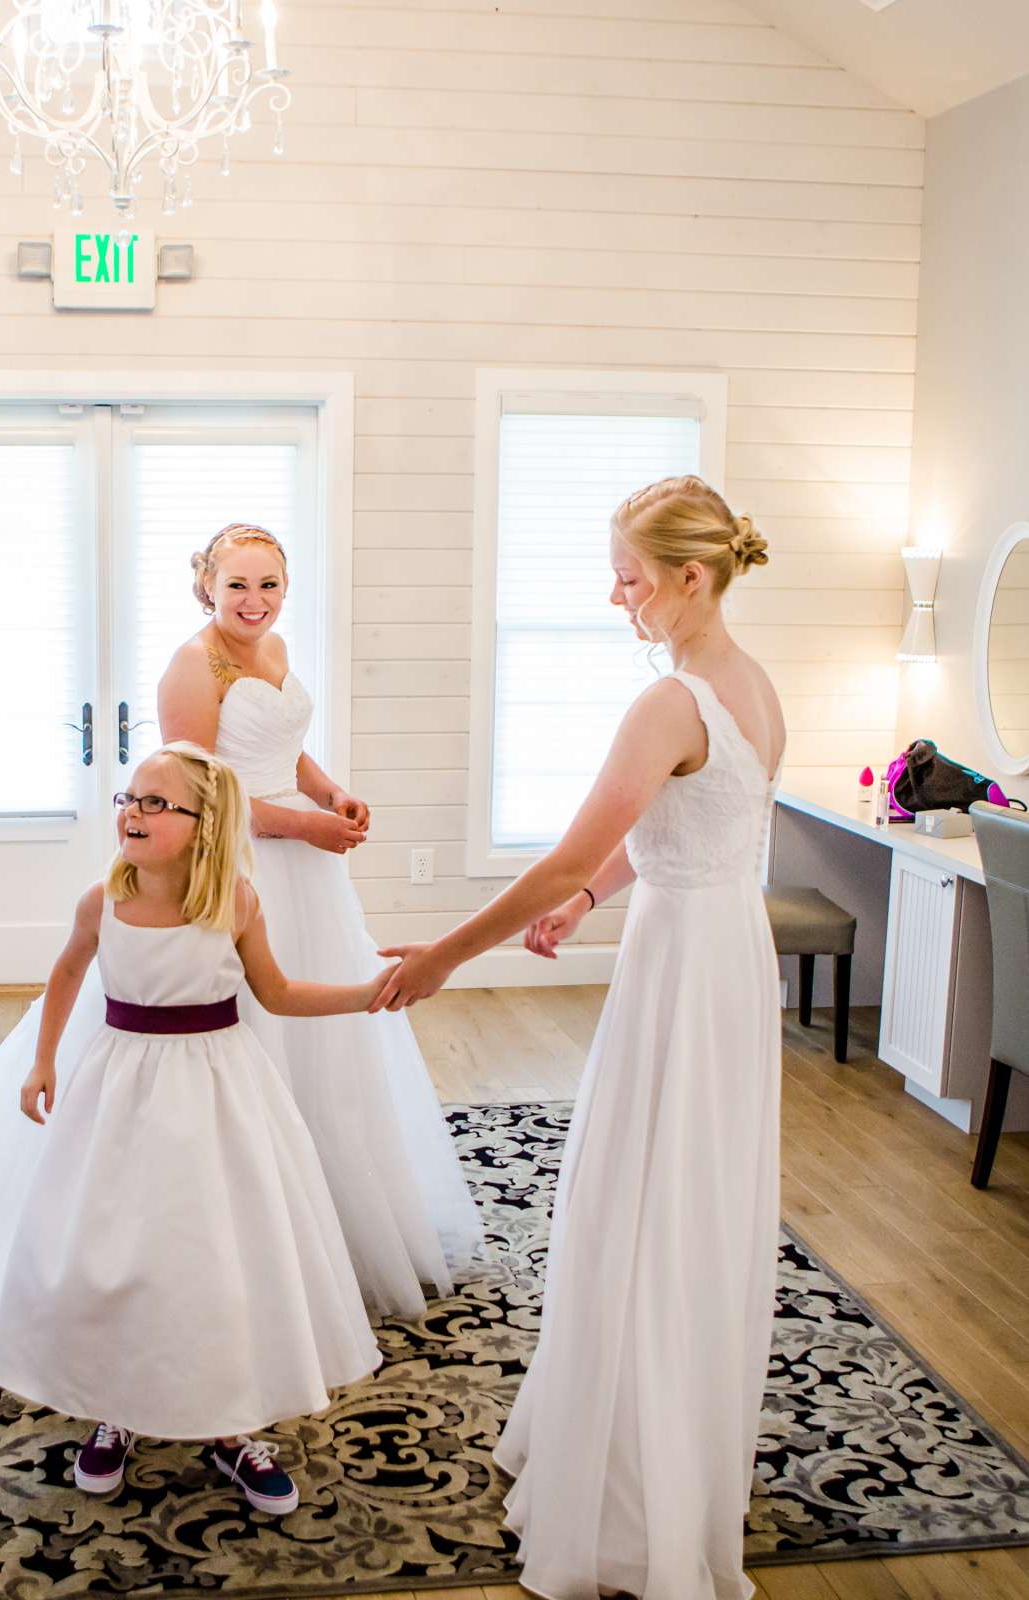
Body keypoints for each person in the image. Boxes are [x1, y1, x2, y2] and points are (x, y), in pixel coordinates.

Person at [375, 476, 785, 1600]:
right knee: (684, 1202)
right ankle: (661, 1449)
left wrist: (446, 957)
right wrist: (596, 900)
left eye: (631, 577)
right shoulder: (750, 687)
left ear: (690, 578)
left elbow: (565, 852)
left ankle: (631, 1489)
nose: (618, 597)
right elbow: (684, 827)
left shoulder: (671, 703)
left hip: (687, 969)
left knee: (644, 1203)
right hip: (722, 956)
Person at [0, 743, 381, 1514]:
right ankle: (118, 1405)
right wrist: (40, 1061)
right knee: (118, 1243)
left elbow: (278, 992)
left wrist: (367, 995)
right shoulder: (104, 899)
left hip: (216, 1092)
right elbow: (67, 972)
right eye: (128, 798)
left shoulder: (234, 901)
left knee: (216, 1251)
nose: (132, 811)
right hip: (122, 1090)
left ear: (204, 825)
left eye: (153, 802)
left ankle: (229, 1424)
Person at [157, 524, 482, 1315]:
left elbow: (285, 749)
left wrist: (330, 793)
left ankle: (325, 1215)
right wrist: (306, 826)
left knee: (326, 1050)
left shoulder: (271, 649)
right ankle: (243, 1228)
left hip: (307, 871)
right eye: (237, 585)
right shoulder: (193, 665)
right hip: (239, 870)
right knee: (258, 1031)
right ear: (207, 584)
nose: (254, 601)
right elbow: (197, 793)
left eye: (269, 585)